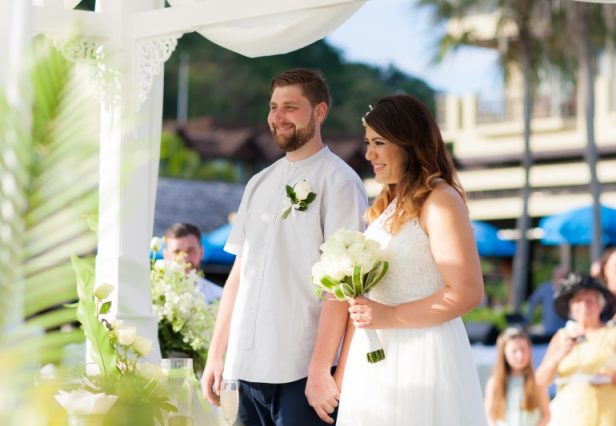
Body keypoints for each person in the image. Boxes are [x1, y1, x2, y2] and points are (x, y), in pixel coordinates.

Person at [200, 68, 368, 425]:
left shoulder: (340, 182)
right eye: (274, 106)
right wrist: (216, 355)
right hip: (244, 370)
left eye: (290, 107)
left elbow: (343, 287)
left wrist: (322, 369)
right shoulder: (258, 183)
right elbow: (238, 275)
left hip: (302, 372)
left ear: (319, 112)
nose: (278, 116)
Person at [336, 95, 486, 425]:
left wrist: (389, 316)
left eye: (378, 143)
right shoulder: (387, 205)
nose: (368, 154)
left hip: (423, 355)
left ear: (408, 144)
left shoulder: (440, 201)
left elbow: (468, 292)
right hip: (375, 359)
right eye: (367, 143)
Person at [536, 274, 616, 426]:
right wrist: (559, 355)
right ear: (571, 307)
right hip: (572, 416)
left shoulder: (615, 334)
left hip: (609, 417)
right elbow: (539, 380)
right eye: (578, 301)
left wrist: (609, 377)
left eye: (590, 301)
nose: (584, 306)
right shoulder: (562, 337)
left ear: (600, 305)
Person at [484, 328, 550, 426]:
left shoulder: (537, 381)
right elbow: (489, 414)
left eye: (523, 349)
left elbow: (546, 415)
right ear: (504, 353)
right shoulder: (495, 382)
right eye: (514, 351)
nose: (520, 355)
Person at [163, 222, 224, 303]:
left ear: (201, 252)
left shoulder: (220, 296)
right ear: (166, 256)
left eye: (190, 250)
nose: (184, 258)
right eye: (177, 252)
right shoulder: (153, 293)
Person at [524, 266, 568, 338]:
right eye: (560, 276)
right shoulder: (544, 289)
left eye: (565, 277)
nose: (562, 279)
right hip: (549, 330)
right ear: (553, 276)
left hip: (565, 331)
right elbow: (532, 302)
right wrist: (527, 320)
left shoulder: (569, 290)